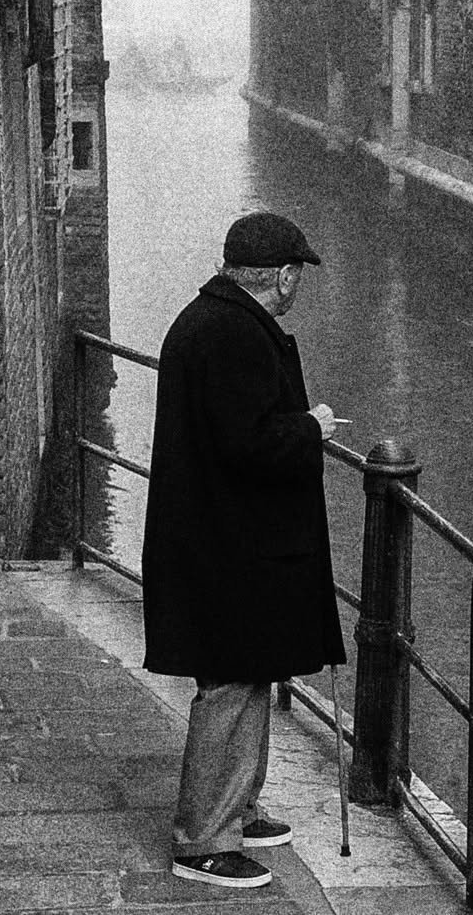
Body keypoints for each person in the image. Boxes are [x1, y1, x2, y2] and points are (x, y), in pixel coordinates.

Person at [141, 210, 346, 890]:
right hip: (225, 547)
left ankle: (238, 805)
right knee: (228, 681)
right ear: (283, 276)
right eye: (299, 275)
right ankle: (202, 838)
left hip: (221, 538)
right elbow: (250, 442)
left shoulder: (213, 320)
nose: (299, 287)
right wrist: (309, 427)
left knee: (248, 672)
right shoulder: (233, 335)